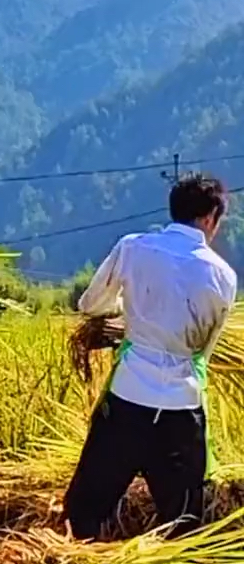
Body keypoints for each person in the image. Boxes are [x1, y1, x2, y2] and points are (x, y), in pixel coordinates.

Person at [64, 174, 238, 541]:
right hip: (182, 408)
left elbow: (90, 305)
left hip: (128, 400)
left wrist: (125, 321)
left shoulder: (133, 248)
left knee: (85, 509)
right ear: (210, 218)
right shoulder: (223, 275)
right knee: (184, 521)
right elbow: (203, 351)